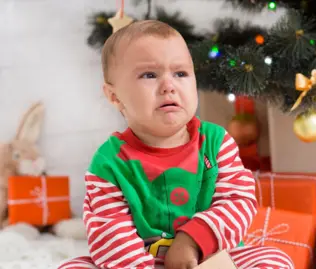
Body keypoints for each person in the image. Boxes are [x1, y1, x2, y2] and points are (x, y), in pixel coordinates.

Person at [58, 20, 293, 269]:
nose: (168, 86)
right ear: (115, 96)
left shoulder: (215, 142)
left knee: (275, 259)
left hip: (212, 257)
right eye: (149, 75)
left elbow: (238, 201)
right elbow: (111, 235)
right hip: (140, 262)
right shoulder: (108, 163)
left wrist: (192, 241)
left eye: (180, 73)